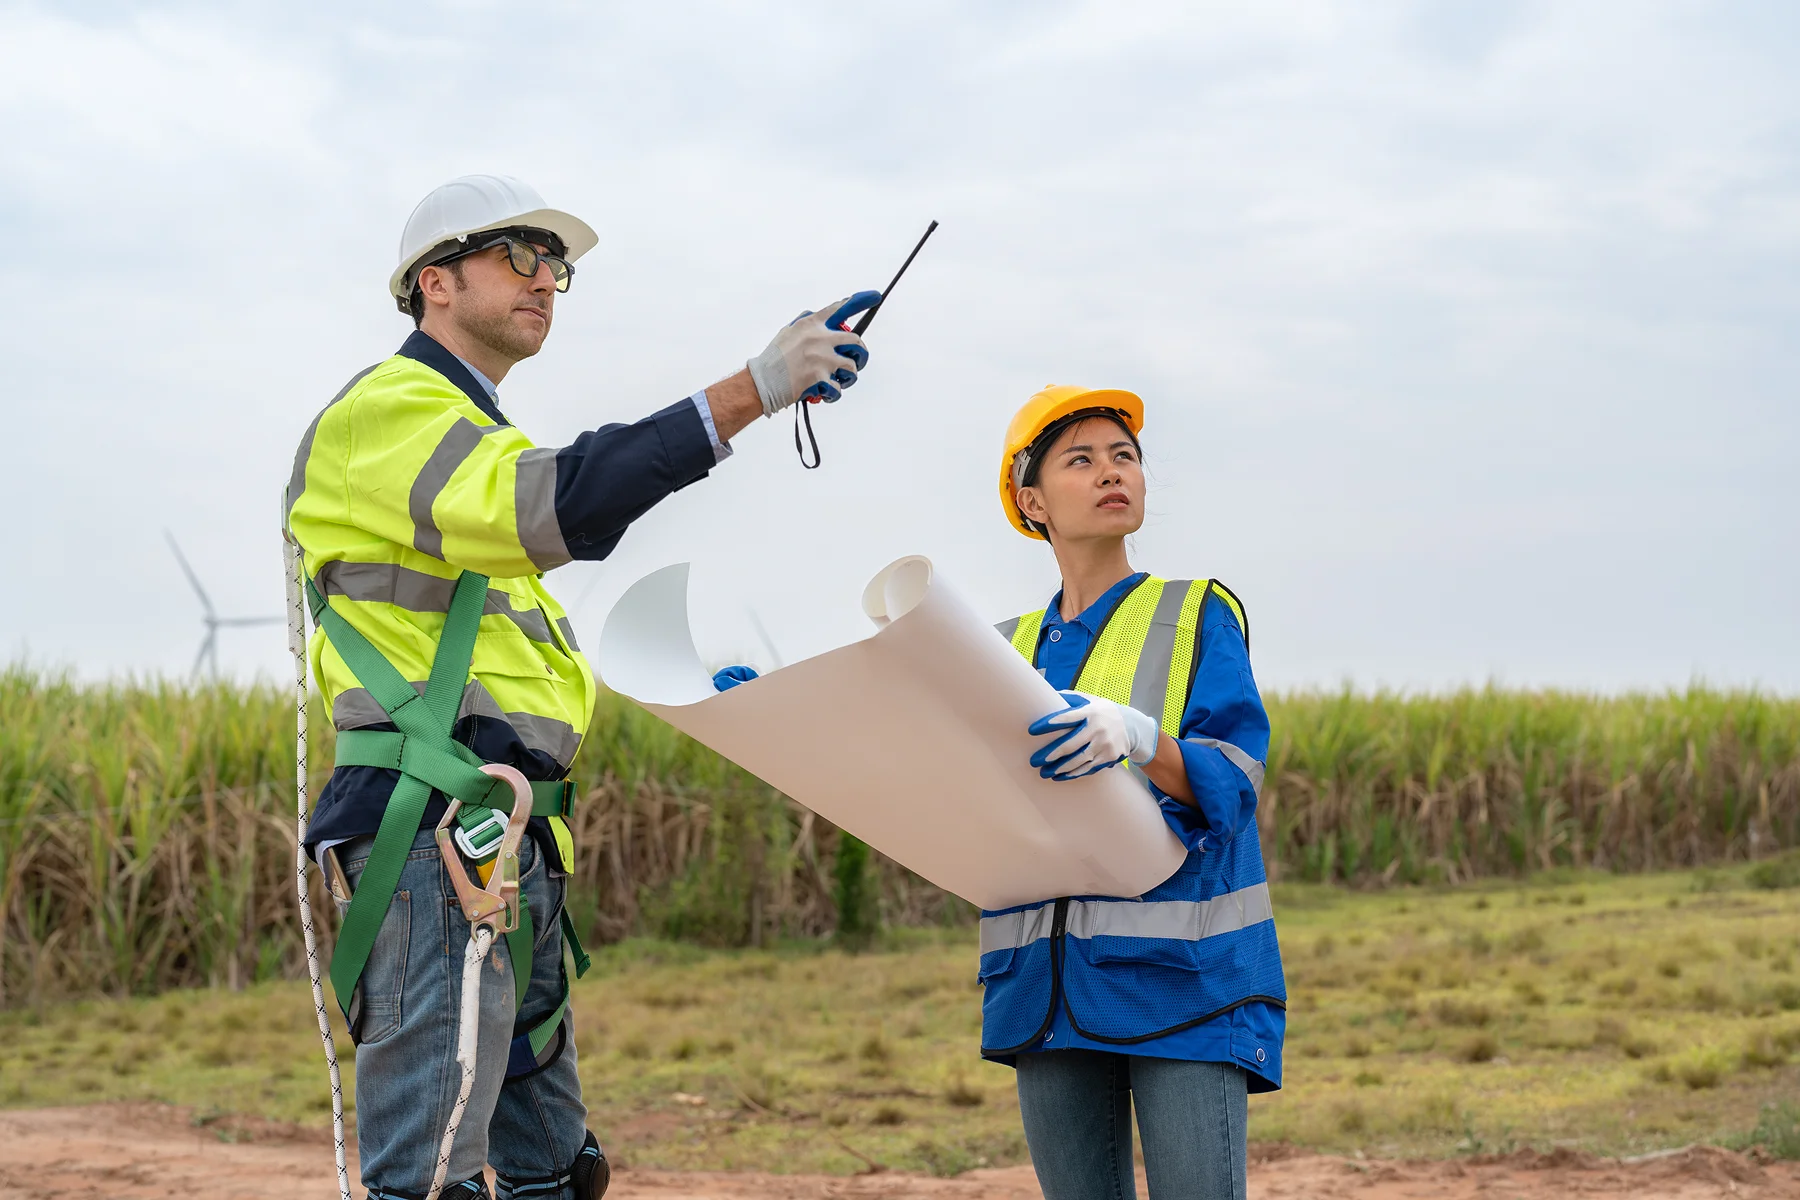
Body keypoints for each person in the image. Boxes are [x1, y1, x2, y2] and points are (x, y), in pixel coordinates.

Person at [284, 173, 879, 1200]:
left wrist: (699, 686)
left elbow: (506, 648)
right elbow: (557, 505)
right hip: (431, 832)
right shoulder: (390, 412)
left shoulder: (466, 440)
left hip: (499, 842)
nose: (548, 281)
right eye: (521, 256)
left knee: (555, 1171)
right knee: (432, 1179)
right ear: (434, 282)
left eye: (558, 268)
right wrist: (748, 390)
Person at [982, 386, 1288, 1200]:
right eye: (1080, 459)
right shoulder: (1004, 649)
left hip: (1182, 981)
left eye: (1125, 457)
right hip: (1046, 991)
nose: (1112, 472)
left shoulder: (1195, 613)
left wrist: (1146, 741)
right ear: (1032, 498)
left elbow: (1237, 778)